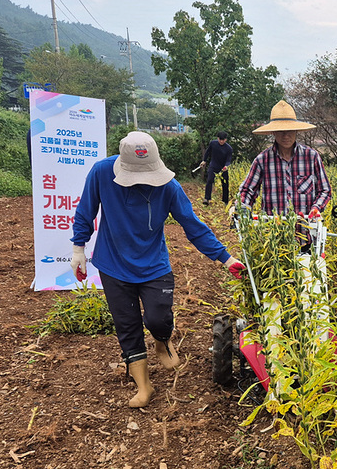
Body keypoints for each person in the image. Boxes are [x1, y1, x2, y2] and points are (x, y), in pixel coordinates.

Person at [71, 131, 245, 408]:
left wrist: (225, 258)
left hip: (154, 265)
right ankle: (144, 385)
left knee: (158, 318)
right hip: (113, 264)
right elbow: (85, 211)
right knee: (127, 325)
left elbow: (193, 226)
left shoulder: (169, 186)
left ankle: (162, 342)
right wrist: (78, 249)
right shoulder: (101, 173)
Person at [234, 100, 331, 220]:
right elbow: (248, 190)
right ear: (273, 132)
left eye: (289, 130)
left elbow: (324, 190)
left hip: (305, 227)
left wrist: (316, 208)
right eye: (281, 131)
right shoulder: (262, 160)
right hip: (273, 227)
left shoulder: (311, 157)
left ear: (296, 131)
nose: (286, 135)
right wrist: (242, 207)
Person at [199, 130, 233, 205]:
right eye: (220, 139)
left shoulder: (229, 148)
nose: (221, 141)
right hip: (213, 165)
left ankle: (225, 201)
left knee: (225, 183)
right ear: (217, 138)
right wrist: (204, 160)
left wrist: (226, 166)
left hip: (223, 167)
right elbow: (207, 152)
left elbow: (228, 159)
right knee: (209, 180)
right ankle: (207, 198)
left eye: (223, 140)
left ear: (226, 140)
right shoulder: (213, 143)